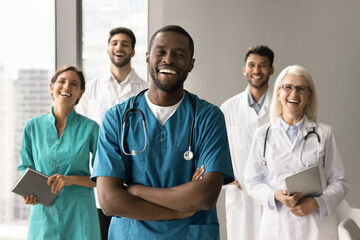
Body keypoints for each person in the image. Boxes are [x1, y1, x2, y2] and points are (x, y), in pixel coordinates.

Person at [91, 25, 234, 240]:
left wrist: (136, 190)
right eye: (161, 52)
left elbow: (205, 196)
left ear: (191, 64)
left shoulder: (209, 117)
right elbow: (109, 201)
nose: (169, 59)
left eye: (179, 54)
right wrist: (180, 210)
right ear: (148, 57)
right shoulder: (117, 118)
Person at [244, 65, 349, 239]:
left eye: (301, 88)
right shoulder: (263, 135)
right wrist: (275, 195)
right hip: (277, 228)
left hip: (316, 228)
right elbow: (252, 181)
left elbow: (340, 182)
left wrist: (317, 203)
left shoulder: (324, 134)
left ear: (309, 96)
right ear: (278, 93)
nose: (294, 93)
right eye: (288, 87)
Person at [76, 26, 148, 239]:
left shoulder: (145, 91)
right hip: (99, 175)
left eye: (125, 44)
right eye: (115, 43)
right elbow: (81, 133)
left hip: (135, 176)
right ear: (108, 49)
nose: (119, 47)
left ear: (133, 52)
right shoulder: (90, 89)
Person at [18, 65, 101, 239]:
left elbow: (103, 178)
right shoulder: (32, 127)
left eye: (74, 84)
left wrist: (71, 179)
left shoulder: (91, 128)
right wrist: (29, 193)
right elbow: (24, 168)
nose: (66, 87)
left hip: (80, 216)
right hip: (44, 216)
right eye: (61, 81)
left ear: (81, 93)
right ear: (51, 87)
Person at [220, 45, 274, 240]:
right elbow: (217, 149)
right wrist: (226, 179)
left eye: (263, 65)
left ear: (271, 70)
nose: (257, 71)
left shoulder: (282, 106)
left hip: (273, 191)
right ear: (244, 69)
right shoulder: (228, 108)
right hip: (241, 194)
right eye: (251, 65)